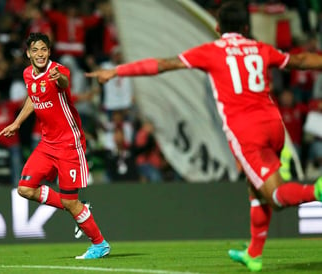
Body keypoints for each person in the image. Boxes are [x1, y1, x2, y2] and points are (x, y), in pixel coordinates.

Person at [86, 1, 322, 271]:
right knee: (255, 189)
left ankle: (316, 189)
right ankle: (254, 254)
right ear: (245, 28)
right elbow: (302, 60)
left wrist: (117, 70)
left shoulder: (212, 51)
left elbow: (163, 64)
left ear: (219, 28)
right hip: (274, 124)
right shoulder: (260, 48)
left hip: (246, 131)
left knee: (276, 196)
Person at [0, 32, 110, 259]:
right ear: (28, 54)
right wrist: (18, 122)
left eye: (44, 49)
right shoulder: (28, 73)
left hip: (69, 144)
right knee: (25, 189)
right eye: (35, 50)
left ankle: (100, 244)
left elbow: (64, 82)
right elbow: (33, 96)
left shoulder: (59, 71)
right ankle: (80, 208)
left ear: (49, 52)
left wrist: (59, 78)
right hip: (47, 143)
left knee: (70, 201)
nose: (40, 54)